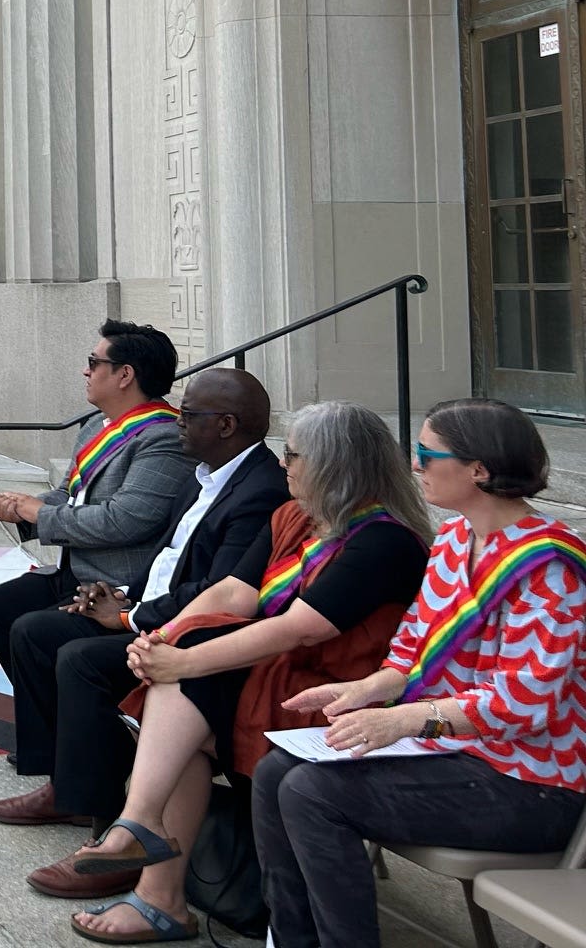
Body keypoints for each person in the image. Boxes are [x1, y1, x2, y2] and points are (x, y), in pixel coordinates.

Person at [57, 401, 430, 942]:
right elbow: (236, 592)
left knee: (185, 687)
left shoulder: (383, 540)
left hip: (334, 695)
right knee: (181, 689)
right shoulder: (294, 517)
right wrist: (159, 638)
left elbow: (298, 628)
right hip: (278, 676)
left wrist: (180, 658)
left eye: (294, 454)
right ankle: (149, 867)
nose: (284, 464)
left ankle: (149, 865)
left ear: (332, 463)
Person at [253, 399, 586, 948]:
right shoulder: (455, 539)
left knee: (313, 794)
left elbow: (524, 703)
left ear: (478, 470)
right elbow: (412, 648)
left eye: (428, 455)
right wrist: (366, 689)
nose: (414, 466)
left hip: (531, 784)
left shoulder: (549, 565)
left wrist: (405, 721)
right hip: (456, 756)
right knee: (275, 772)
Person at [0, 370, 289, 865]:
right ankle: (66, 777)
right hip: (149, 607)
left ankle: (94, 802)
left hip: (191, 633)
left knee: (79, 657)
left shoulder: (261, 490)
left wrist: (131, 617)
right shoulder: (205, 473)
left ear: (227, 424)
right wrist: (123, 593)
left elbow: (218, 589)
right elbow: (168, 555)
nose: (178, 423)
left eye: (189, 415)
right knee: (33, 627)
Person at [0, 321, 194, 694]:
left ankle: (59, 735)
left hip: (117, 585)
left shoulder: (163, 438)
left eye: (93, 362)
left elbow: (123, 521)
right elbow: (69, 493)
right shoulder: (96, 425)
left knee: (33, 631)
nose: (85, 370)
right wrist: (20, 508)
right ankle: (49, 723)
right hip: (75, 570)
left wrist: (37, 513)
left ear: (124, 375)